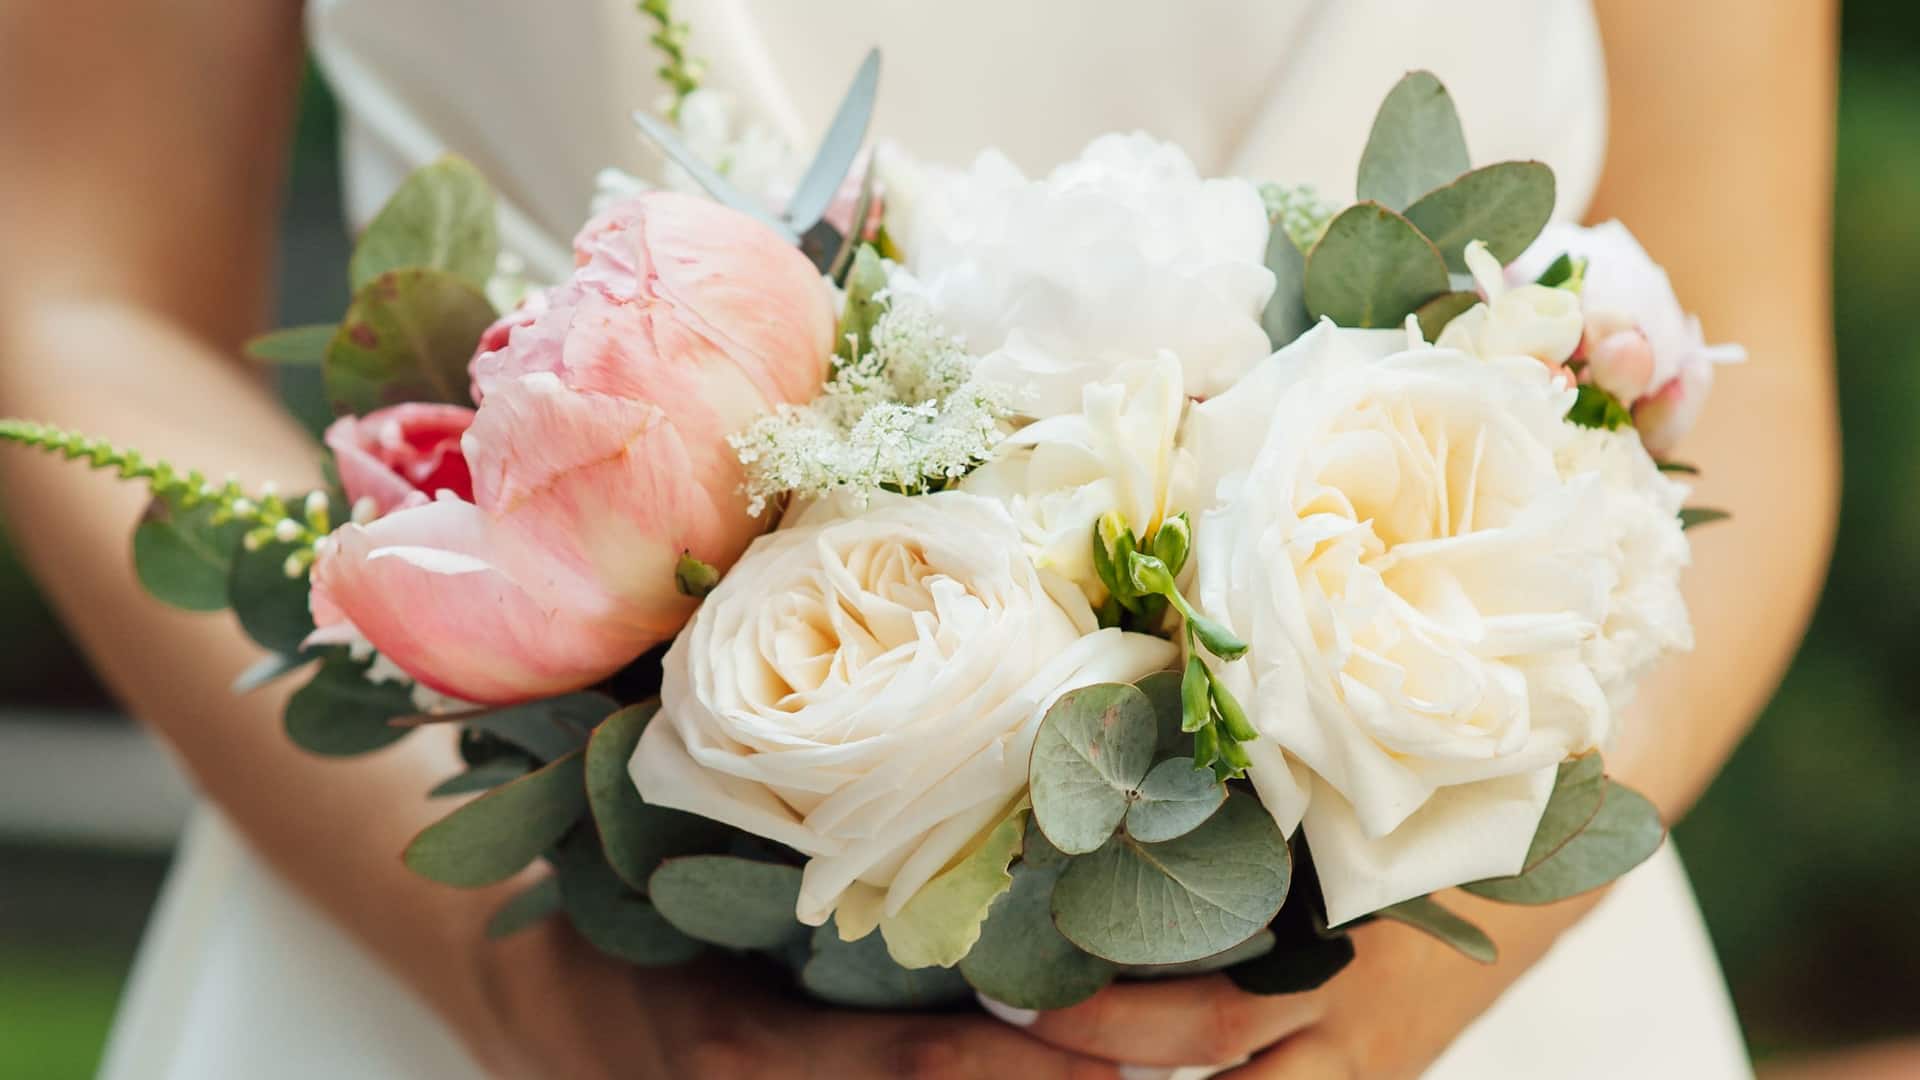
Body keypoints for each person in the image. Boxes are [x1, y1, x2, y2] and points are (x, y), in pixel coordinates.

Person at [0, 1, 1837, 1076]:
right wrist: (515, 960)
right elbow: (75, 289)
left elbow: (1738, 335)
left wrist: (1420, 978)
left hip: (1454, 972)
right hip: (446, 983)